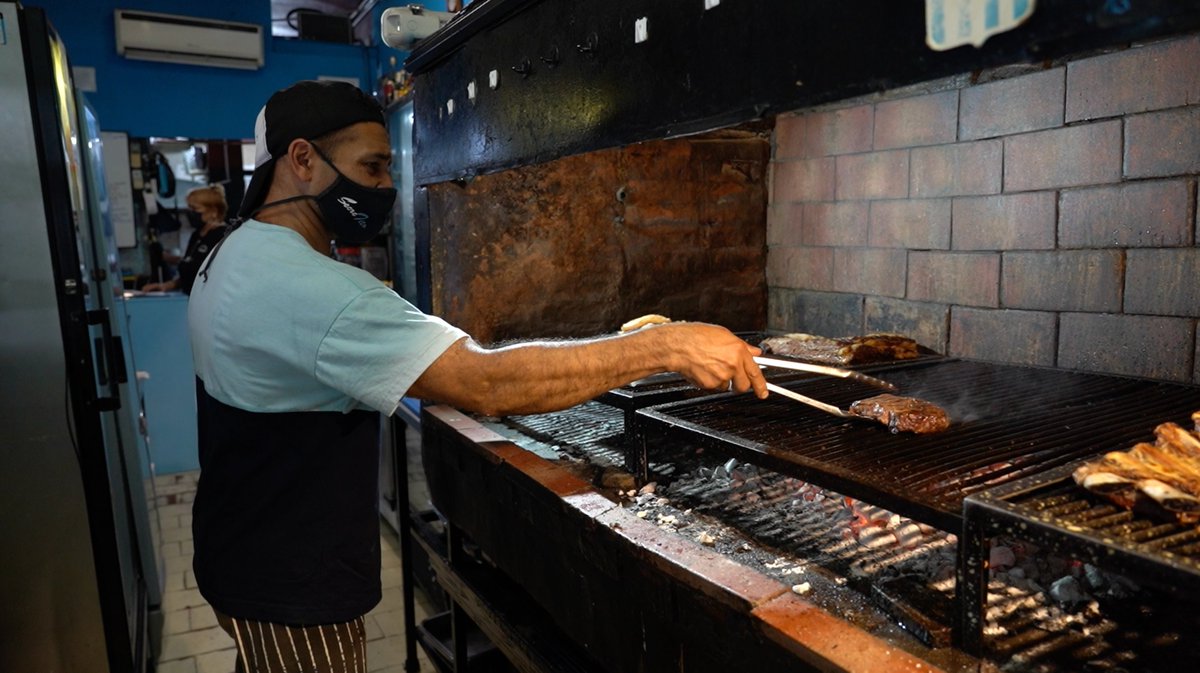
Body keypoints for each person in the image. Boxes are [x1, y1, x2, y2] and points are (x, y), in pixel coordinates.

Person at [187, 80, 768, 673]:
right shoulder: (309, 286)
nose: (386, 186)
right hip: (290, 582)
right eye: (373, 166)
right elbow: (488, 385)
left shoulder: (236, 250)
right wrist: (662, 345)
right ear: (303, 159)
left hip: (240, 544)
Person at [142, 185, 228, 294]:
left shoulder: (222, 236)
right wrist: (167, 285)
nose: (190, 213)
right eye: (189, 208)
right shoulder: (196, 235)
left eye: (195, 209)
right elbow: (189, 267)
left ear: (213, 211)